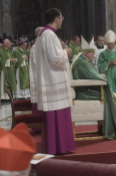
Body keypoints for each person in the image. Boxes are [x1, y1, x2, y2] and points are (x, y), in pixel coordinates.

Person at [72, 36, 116, 139]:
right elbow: (93, 75)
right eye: (93, 53)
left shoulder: (82, 60)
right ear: (86, 53)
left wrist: (100, 76)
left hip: (83, 90)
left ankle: (103, 126)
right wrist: (101, 77)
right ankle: (109, 129)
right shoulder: (83, 63)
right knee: (110, 97)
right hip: (84, 92)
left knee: (111, 95)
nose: (94, 56)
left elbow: (91, 74)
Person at [34, 8, 75, 155]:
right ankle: (59, 147)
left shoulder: (42, 35)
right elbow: (55, 58)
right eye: (61, 18)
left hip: (50, 79)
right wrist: (66, 52)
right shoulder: (49, 35)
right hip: (53, 80)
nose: (62, 20)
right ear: (57, 19)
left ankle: (58, 146)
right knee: (56, 113)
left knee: (56, 114)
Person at [98, 30, 116, 103]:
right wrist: (108, 64)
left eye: (112, 44)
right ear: (106, 44)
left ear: (114, 44)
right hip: (108, 75)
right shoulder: (103, 54)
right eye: (109, 44)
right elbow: (100, 64)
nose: (110, 46)